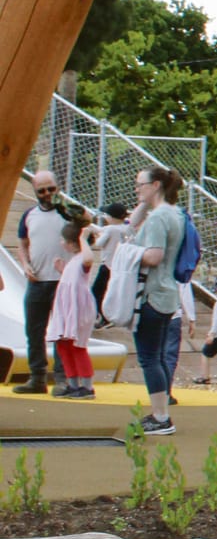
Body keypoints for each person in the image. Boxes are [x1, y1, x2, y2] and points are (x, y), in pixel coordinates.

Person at [130, 166, 187, 435]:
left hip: (152, 293)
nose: (136, 188)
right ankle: (160, 412)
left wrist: (127, 254)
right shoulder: (174, 214)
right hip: (167, 294)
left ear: (155, 185)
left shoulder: (157, 219)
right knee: (158, 356)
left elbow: (153, 256)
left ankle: (161, 416)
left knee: (149, 357)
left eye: (140, 184)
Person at [13, 170, 68, 393]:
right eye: (41, 191)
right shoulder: (29, 215)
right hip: (37, 280)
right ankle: (37, 377)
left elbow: (86, 225)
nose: (47, 194)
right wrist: (25, 265)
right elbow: (23, 243)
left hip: (62, 281)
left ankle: (63, 378)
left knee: (63, 331)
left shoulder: (67, 213)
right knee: (34, 330)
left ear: (58, 188)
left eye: (51, 189)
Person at [47, 222, 97, 399]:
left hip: (78, 310)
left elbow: (89, 259)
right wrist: (62, 270)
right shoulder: (72, 262)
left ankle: (87, 386)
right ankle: (73, 383)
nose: (61, 242)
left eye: (64, 239)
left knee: (77, 346)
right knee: (63, 345)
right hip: (67, 309)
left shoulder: (83, 259)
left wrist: (83, 239)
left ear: (71, 243)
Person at [89, 202, 130, 326]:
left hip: (106, 265)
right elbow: (102, 230)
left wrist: (94, 236)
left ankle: (99, 316)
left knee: (96, 292)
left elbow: (99, 244)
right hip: (118, 267)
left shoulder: (111, 229)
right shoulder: (125, 228)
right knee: (111, 292)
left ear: (112, 217)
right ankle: (108, 316)